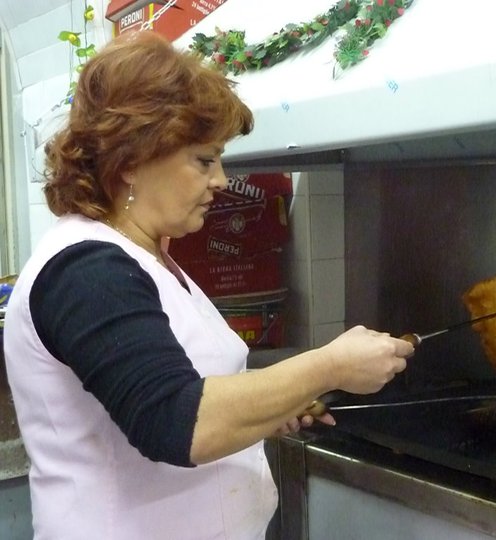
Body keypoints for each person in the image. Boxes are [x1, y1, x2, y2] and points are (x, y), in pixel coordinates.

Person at [3, 31, 413, 540]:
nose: (221, 179)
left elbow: (189, 390)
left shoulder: (148, 259)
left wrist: (267, 409)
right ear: (131, 161)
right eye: (204, 160)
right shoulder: (85, 270)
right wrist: (329, 366)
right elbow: (174, 420)